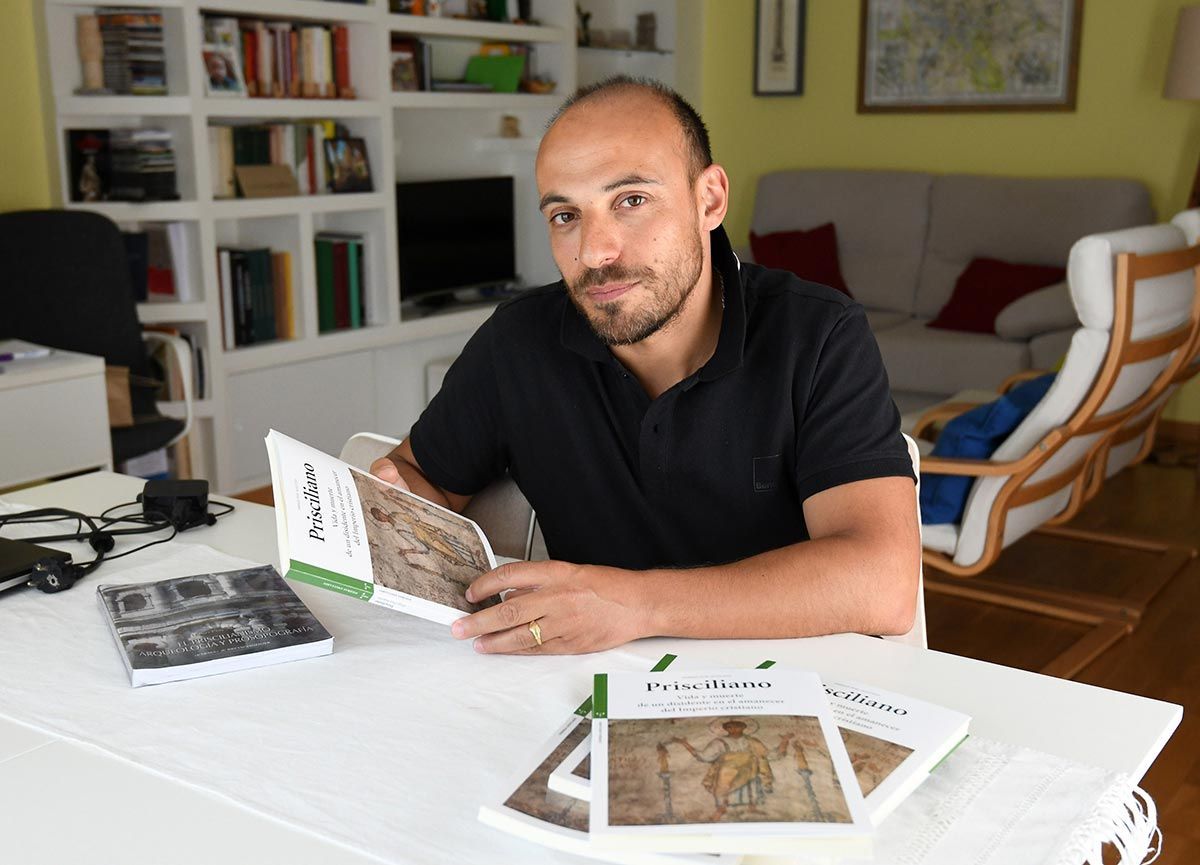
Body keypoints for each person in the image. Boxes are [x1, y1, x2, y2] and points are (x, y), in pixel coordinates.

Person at [372, 76, 919, 655]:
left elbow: (883, 584)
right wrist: (395, 504)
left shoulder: (818, 334)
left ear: (709, 200)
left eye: (630, 201)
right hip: (583, 682)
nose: (594, 252)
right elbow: (418, 477)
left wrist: (634, 604)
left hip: (792, 679)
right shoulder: (518, 341)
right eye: (565, 215)